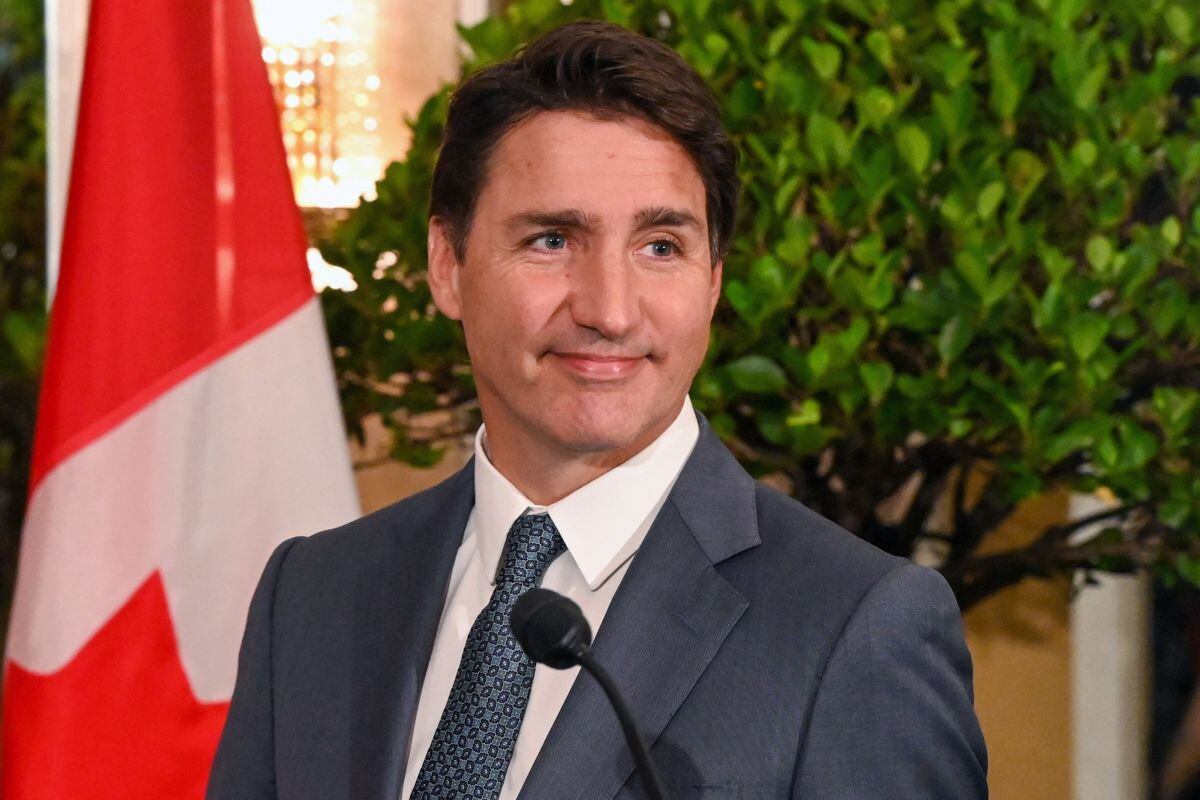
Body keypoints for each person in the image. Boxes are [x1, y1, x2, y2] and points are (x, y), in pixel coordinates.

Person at [207, 20, 988, 800]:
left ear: (714, 280)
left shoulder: (855, 626)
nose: (610, 311)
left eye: (660, 247)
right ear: (447, 267)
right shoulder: (312, 593)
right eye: (552, 240)